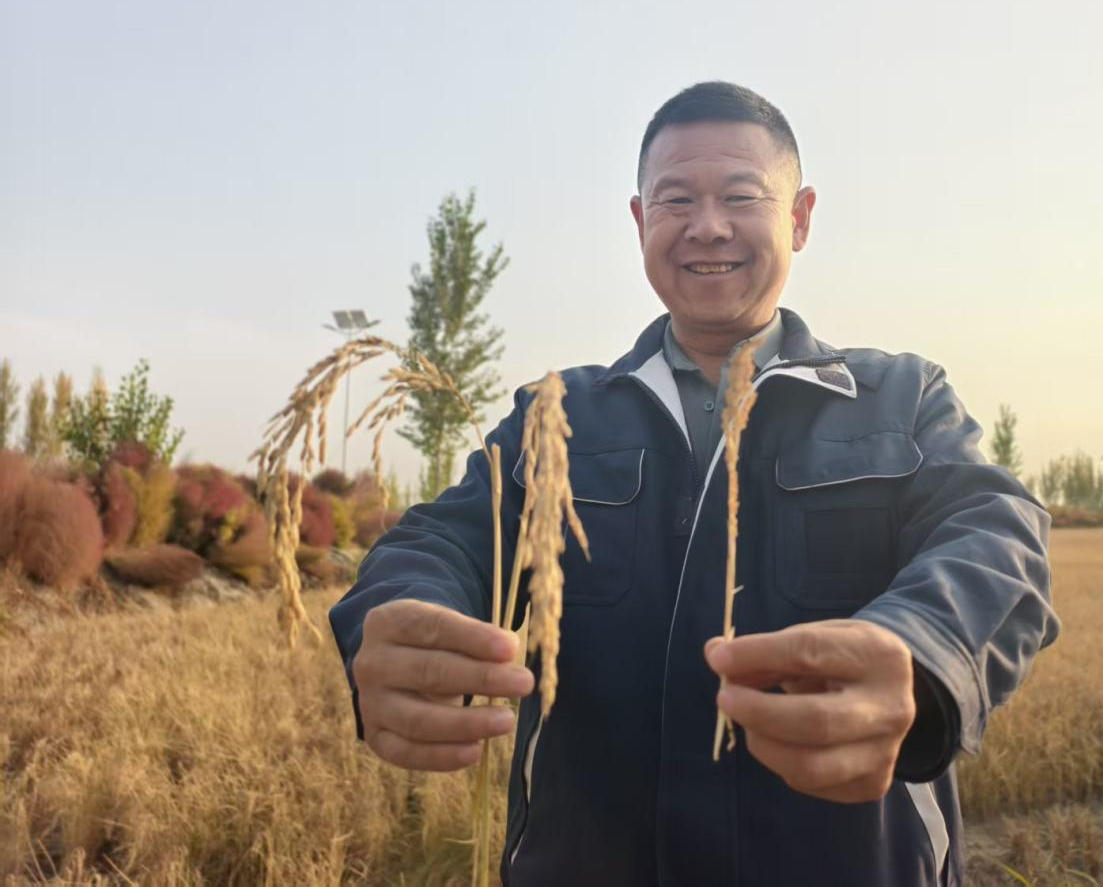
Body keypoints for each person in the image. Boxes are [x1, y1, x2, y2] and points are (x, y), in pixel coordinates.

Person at [328, 81, 1060, 886]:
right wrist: (396, 616)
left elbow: (996, 532)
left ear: (800, 218)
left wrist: (921, 651)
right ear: (639, 221)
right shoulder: (557, 416)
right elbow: (444, 537)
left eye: (741, 196)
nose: (707, 226)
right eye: (675, 199)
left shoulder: (899, 399)